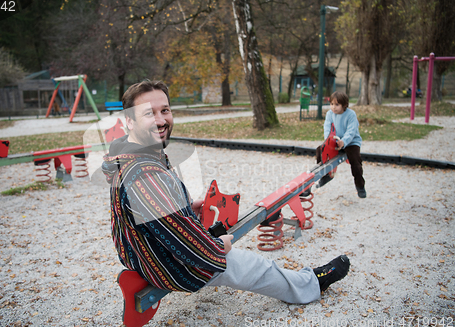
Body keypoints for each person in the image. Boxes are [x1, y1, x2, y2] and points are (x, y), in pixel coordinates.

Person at [102, 80, 350, 305]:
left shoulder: (132, 153)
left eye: (164, 110)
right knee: (254, 267)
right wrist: (218, 247)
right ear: (130, 121)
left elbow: (154, 212)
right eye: (149, 113)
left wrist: (186, 208)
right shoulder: (144, 174)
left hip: (140, 251)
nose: (160, 120)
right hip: (166, 263)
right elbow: (187, 246)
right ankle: (311, 285)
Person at [305, 91, 366, 198]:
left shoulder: (351, 114)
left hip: (351, 142)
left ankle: (360, 185)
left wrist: (344, 141)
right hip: (335, 141)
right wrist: (328, 141)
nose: (333, 107)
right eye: (332, 104)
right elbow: (327, 128)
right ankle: (327, 175)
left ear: (344, 105)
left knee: (355, 161)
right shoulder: (330, 114)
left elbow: (351, 131)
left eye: (337, 104)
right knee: (320, 150)